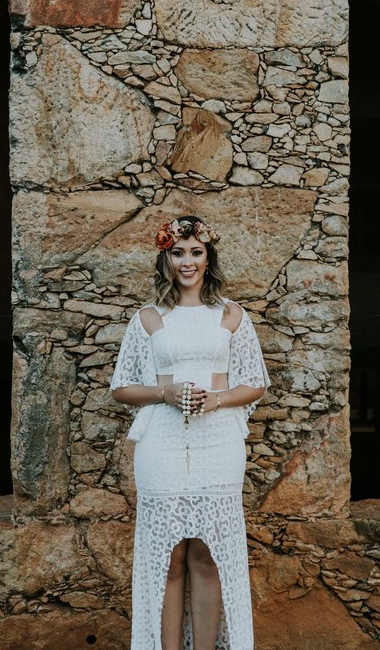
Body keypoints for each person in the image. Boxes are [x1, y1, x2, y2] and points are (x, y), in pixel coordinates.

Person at [111, 215, 269, 650]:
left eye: (196, 252)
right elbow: (121, 387)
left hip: (218, 442)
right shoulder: (147, 318)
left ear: (208, 256)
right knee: (168, 558)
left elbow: (255, 381)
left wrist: (216, 400)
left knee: (207, 554)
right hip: (161, 443)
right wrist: (166, 391)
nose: (188, 261)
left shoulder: (231, 315)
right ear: (166, 258)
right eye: (178, 253)